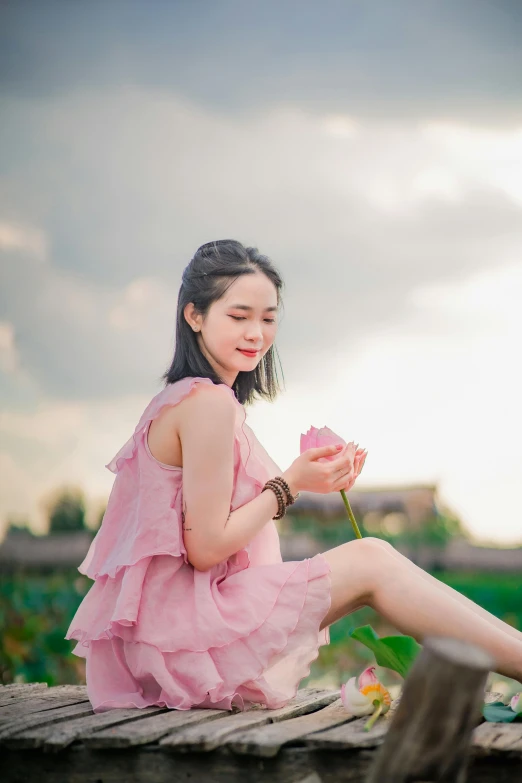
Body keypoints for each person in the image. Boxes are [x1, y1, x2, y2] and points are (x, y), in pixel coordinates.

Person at [66, 239, 522, 713]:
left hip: (168, 639)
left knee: (374, 558)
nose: (256, 334)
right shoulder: (208, 405)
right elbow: (205, 548)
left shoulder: (183, 399)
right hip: (186, 641)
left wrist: (305, 481)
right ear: (194, 316)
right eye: (238, 316)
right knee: (372, 560)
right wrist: (290, 485)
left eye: (268, 317)